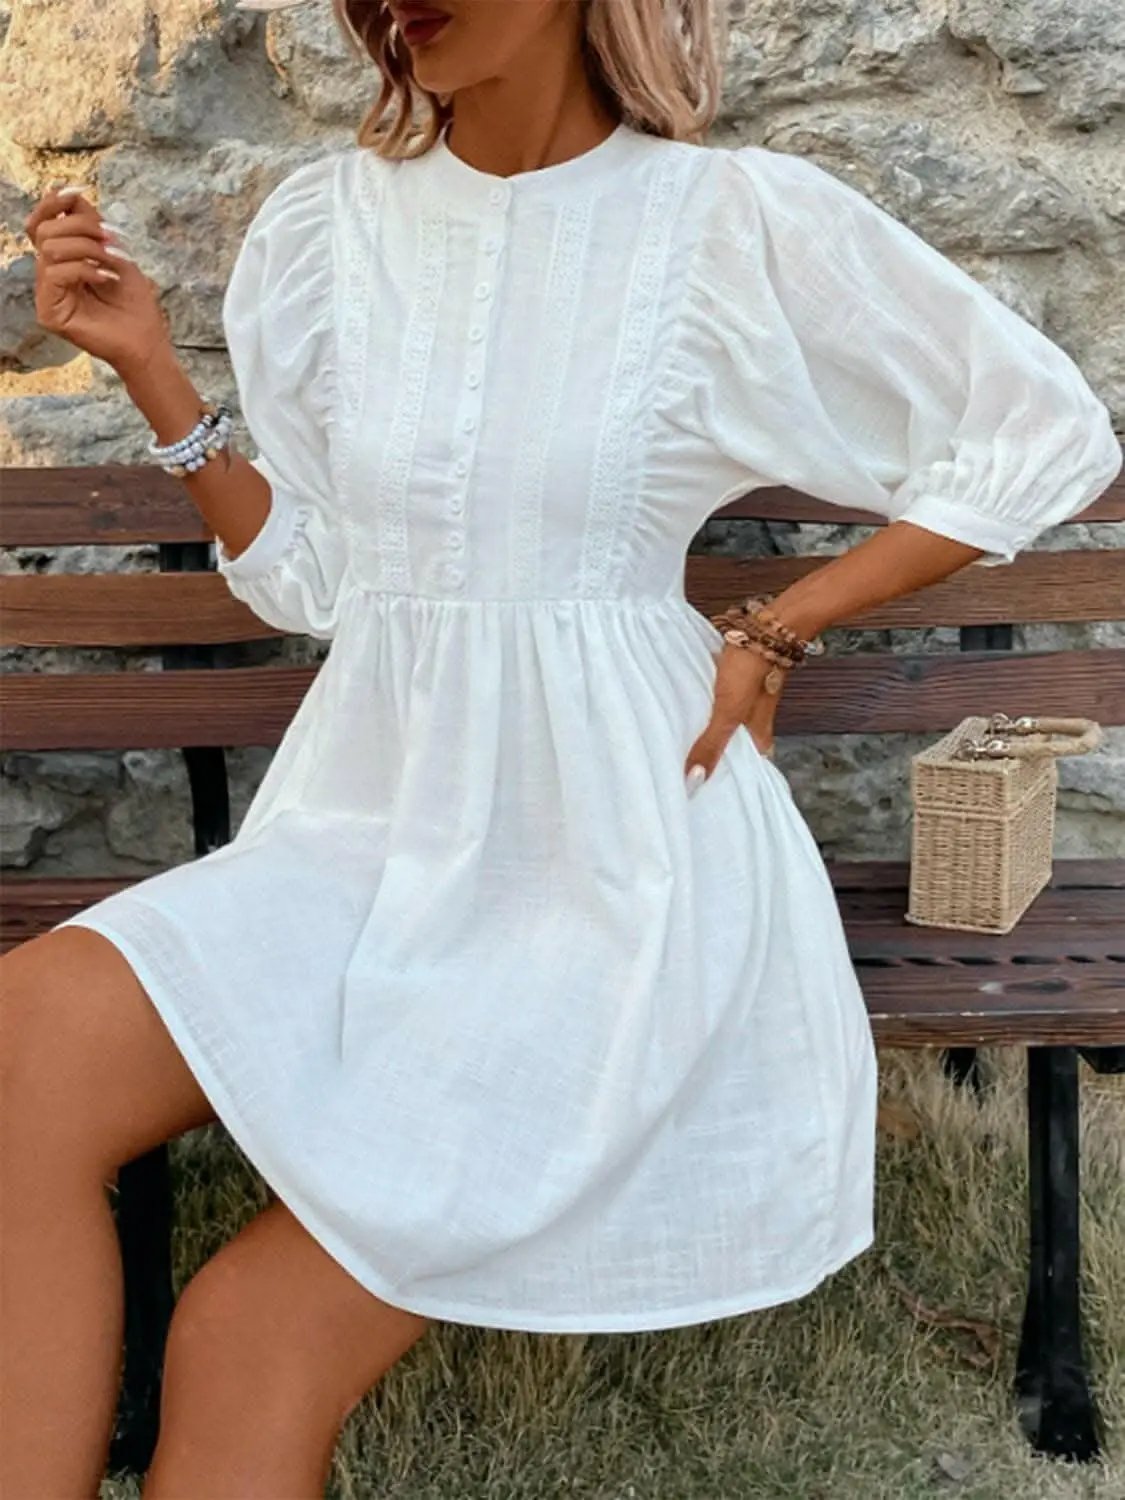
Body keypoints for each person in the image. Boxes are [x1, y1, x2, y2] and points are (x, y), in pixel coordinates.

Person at [4, 1, 1121, 1493]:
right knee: (25, 1047)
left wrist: (782, 621)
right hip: (367, 829)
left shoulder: (727, 221)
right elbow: (322, 582)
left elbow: (1046, 428)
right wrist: (150, 366)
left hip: (617, 866)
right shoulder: (328, 226)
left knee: (246, 1336)